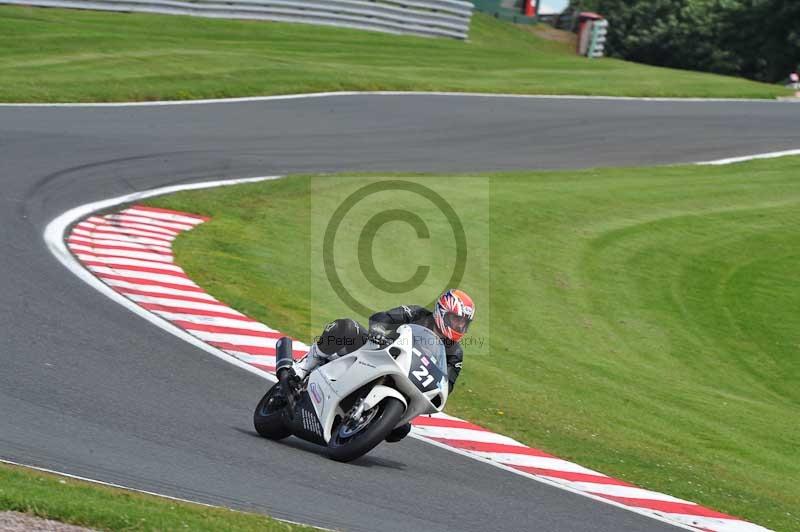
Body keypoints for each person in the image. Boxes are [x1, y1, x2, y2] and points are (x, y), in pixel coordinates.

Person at [292, 289, 475, 443]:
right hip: (377, 353)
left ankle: (366, 427)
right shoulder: (417, 313)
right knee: (346, 327)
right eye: (456, 319)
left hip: (406, 380)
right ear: (441, 312)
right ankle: (305, 366)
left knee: (401, 429)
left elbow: (446, 384)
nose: (459, 326)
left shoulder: (455, 353)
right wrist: (379, 330)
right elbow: (383, 318)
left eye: (463, 323)